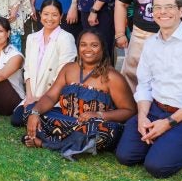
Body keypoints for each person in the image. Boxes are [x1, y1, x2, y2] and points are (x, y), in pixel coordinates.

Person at [116, 0, 182, 178]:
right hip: (155, 110)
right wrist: (142, 117)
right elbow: (144, 84)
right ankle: (166, 141)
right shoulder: (151, 43)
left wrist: (168, 124)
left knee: (157, 167)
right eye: (157, 8)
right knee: (126, 156)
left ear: (180, 11)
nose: (163, 12)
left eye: (169, 7)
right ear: (152, 12)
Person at [23, 30, 136, 158]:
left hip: (92, 125)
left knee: (103, 131)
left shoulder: (112, 77)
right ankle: (73, 144)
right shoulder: (69, 68)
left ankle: (45, 143)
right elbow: (50, 96)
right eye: (83, 44)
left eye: (94, 45)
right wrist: (35, 112)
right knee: (29, 110)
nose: (88, 49)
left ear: (103, 48)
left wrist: (99, 114)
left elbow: (130, 110)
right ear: (78, 47)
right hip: (67, 121)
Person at [15, 0, 78, 126]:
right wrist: (30, 96)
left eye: (54, 15)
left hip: (53, 96)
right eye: (46, 14)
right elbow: (27, 70)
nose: (49, 18)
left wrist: (41, 98)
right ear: (40, 15)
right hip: (32, 94)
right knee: (16, 119)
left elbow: (63, 74)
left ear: (61, 16)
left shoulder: (66, 38)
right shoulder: (31, 38)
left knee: (31, 117)